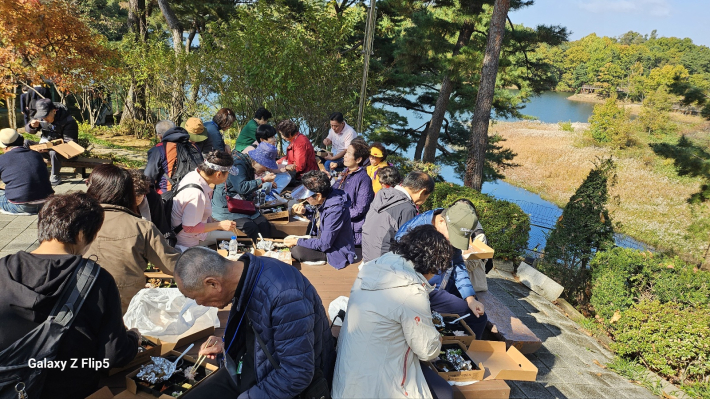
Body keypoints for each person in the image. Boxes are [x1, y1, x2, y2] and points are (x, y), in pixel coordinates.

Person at [0, 192, 141, 399]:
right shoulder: (97, 280)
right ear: (83, 234)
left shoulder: (3, 270)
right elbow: (113, 356)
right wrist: (133, 338)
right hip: (74, 390)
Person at [174, 247, 336, 398]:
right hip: (251, 365)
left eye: (195, 297)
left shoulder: (286, 296)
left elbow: (297, 374)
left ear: (213, 283)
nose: (199, 303)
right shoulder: (246, 272)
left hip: (286, 383)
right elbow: (259, 331)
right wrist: (225, 343)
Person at [333, 225, 454, 399]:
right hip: (376, 388)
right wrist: (438, 338)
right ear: (432, 265)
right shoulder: (411, 291)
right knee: (445, 392)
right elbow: (427, 351)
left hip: (346, 380)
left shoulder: (374, 266)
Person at [84, 164, 180, 313]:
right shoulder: (142, 227)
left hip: (83, 301)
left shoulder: (79, 220)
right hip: (125, 307)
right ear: (126, 193)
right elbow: (173, 265)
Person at [396, 200, 488, 339]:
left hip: (442, 280)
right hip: (419, 289)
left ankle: (461, 351)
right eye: (453, 238)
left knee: (477, 313)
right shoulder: (412, 231)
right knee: (476, 319)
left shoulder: (452, 223)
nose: (452, 243)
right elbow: (400, 272)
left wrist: (470, 298)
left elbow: (457, 263)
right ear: (441, 222)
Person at [285, 171, 356, 269]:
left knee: (297, 251)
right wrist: (305, 212)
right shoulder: (327, 197)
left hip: (336, 250)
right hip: (324, 240)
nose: (305, 199)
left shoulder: (335, 210)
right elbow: (320, 219)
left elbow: (324, 244)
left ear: (318, 196)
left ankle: (324, 258)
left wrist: (297, 241)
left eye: (307, 196)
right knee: (292, 240)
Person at [361, 171, 435, 263]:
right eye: (427, 197)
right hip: (384, 261)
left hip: (368, 254)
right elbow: (405, 244)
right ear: (422, 192)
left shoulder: (383, 194)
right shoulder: (407, 208)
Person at [171, 150, 237, 251]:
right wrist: (219, 225)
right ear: (218, 174)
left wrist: (215, 223)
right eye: (227, 174)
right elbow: (189, 228)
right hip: (188, 240)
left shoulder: (194, 174)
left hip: (188, 230)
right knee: (232, 235)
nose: (227, 177)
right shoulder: (196, 194)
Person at [212, 143, 276, 243]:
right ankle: (249, 254)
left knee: (263, 223)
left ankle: (267, 250)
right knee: (251, 227)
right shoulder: (237, 164)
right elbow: (241, 187)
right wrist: (262, 180)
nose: (266, 170)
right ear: (257, 161)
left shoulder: (249, 164)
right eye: (266, 167)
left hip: (242, 203)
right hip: (227, 206)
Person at [24, 98, 79, 186]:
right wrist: (31, 126)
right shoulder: (41, 118)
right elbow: (29, 130)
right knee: (26, 143)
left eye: (45, 116)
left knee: (54, 152)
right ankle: (32, 172)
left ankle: (55, 175)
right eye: (41, 116)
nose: (43, 118)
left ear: (54, 111)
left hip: (66, 152)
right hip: (47, 147)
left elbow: (69, 143)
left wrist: (48, 149)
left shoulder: (68, 121)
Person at [0, 128, 54, 215]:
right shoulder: (36, 154)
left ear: (5, 147)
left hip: (21, 205)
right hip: (47, 203)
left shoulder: (2, 159)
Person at [333, 140, 374, 246]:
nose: (345, 156)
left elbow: (360, 209)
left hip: (352, 233)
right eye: (346, 152)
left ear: (359, 159)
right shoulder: (345, 173)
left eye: (349, 153)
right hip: (338, 226)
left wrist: (337, 215)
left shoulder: (364, 179)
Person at [144, 124, 204, 195]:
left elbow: (148, 177)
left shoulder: (160, 148)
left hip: (168, 195)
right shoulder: (194, 147)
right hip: (195, 192)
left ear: (160, 136)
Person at [129, 168, 170, 235]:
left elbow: (161, 226)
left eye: (137, 200)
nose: (133, 203)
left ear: (144, 194)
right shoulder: (118, 197)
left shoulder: (152, 197)